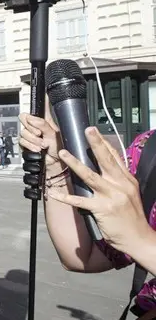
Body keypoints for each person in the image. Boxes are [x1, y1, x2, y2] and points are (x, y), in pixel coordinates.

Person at [19, 104, 156, 315]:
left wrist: (140, 240)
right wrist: (57, 163)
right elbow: (83, 257)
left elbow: (136, 240)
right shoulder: (148, 149)